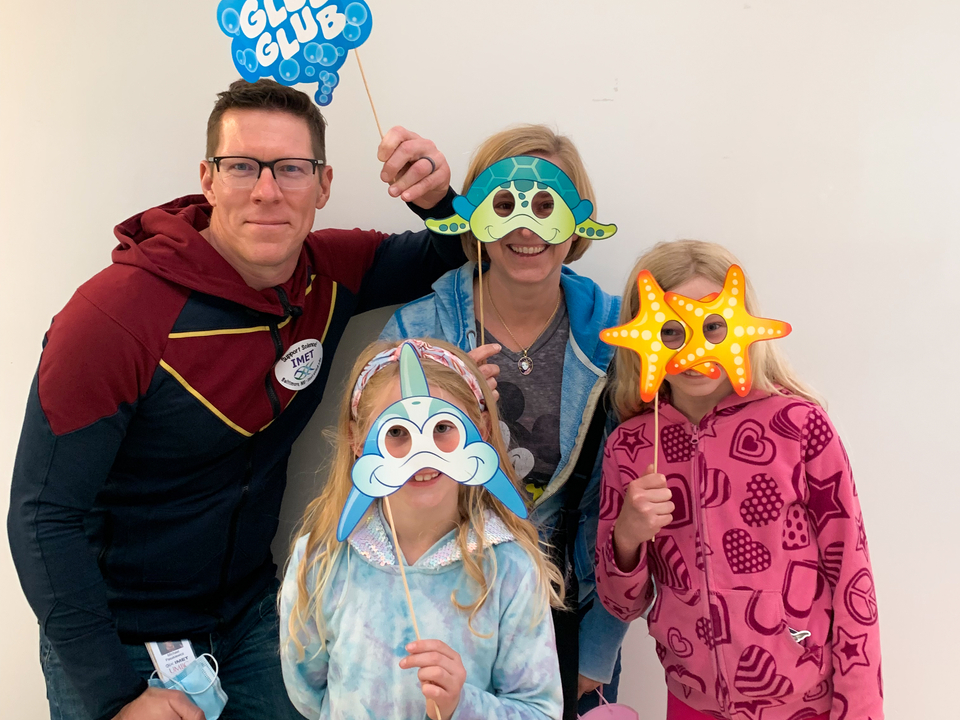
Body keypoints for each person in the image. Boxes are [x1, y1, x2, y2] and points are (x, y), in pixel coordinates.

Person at [7, 78, 482, 720]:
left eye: (290, 168)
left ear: (324, 183)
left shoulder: (328, 271)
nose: (266, 190)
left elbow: (452, 251)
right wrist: (115, 698)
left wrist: (437, 198)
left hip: (256, 619)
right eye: (241, 167)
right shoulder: (111, 317)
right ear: (208, 179)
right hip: (117, 644)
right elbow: (42, 517)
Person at [380, 125, 628, 717]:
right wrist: (445, 407)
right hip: (441, 613)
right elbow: (370, 486)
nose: (526, 227)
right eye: (505, 204)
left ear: (577, 222)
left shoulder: (619, 339)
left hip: (567, 613)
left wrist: (596, 654)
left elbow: (613, 510)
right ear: (474, 216)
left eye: (548, 205)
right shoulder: (419, 330)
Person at [596, 240, 883, 720]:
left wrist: (861, 708)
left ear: (742, 326)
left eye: (712, 326)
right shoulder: (630, 446)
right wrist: (626, 537)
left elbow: (852, 573)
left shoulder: (799, 426)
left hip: (804, 700)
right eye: (671, 331)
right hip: (691, 702)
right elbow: (620, 603)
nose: (694, 348)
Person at [280, 339, 563, 719]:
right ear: (358, 439)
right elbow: (307, 692)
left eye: (443, 427)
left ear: (478, 427)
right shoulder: (320, 559)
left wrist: (462, 706)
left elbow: (540, 711)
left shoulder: (510, 568)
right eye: (396, 433)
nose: (421, 456)